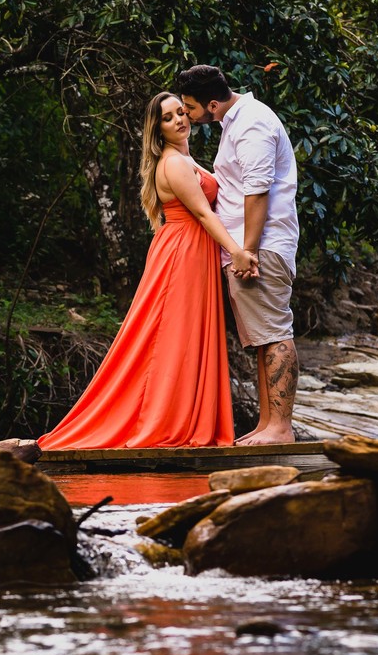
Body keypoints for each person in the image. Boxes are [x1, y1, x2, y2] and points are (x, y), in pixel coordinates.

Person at [37, 92, 256, 450]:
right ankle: (160, 421)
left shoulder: (187, 159)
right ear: (158, 129)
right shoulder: (173, 163)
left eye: (182, 112)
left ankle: (183, 417)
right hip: (182, 254)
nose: (180, 120)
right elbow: (203, 213)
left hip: (192, 250)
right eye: (168, 118)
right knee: (171, 338)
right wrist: (237, 252)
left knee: (187, 338)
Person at [177, 64, 300, 446]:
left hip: (259, 249)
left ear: (212, 104)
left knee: (275, 333)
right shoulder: (233, 122)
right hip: (246, 249)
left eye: (190, 108)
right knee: (261, 338)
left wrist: (246, 249)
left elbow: (258, 190)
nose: (188, 115)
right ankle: (268, 424)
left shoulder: (251, 124)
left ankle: (281, 428)